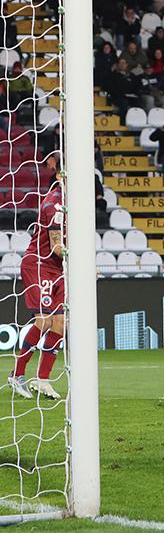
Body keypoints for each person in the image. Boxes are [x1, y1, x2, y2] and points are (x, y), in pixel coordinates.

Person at [8, 166, 64, 400]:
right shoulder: (54, 206)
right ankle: (17, 374)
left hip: (59, 268)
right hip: (39, 265)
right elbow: (56, 247)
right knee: (44, 320)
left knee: (60, 325)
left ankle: (42, 379)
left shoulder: (75, 204)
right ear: (60, 177)